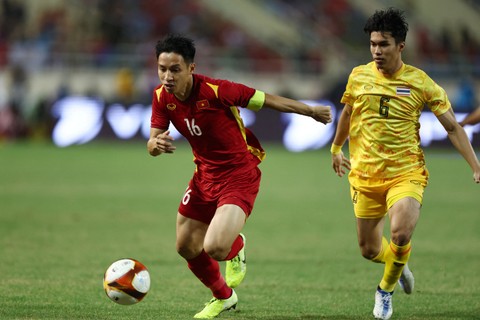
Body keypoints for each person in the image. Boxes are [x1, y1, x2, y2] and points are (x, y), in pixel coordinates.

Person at [147, 34, 332, 319]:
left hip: (238, 174)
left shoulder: (218, 90)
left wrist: (308, 111)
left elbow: (266, 99)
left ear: (191, 68)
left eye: (174, 69)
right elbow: (152, 142)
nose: (167, 76)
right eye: (162, 69)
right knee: (185, 246)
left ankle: (237, 246)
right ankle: (223, 297)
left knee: (216, 248)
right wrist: (155, 146)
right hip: (203, 176)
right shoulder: (161, 97)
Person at [329, 8, 480, 320]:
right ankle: (398, 264)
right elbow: (346, 113)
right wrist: (335, 148)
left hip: (406, 172)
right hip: (365, 173)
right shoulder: (359, 75)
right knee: (369, 250)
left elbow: (453, 127)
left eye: (383, 44)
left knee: (400, 233)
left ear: (400, 46)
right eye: (372, 44)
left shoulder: (420, 82)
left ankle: (385, 289)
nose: (376, 51)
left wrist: (475, 166)